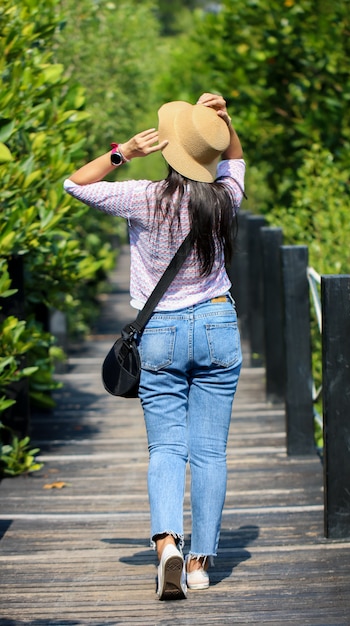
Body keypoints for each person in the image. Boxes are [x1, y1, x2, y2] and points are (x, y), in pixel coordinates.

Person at [64, 93, 245, 600]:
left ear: (167, 150)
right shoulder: (225, 197)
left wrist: (123, 151)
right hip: (216, 324)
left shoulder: (144, 196)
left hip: (160, 332)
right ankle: (201, 563)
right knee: (210, 453)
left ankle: (167, 542)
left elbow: (74, 183)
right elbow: (235, 161)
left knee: (166, 447)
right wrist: (223, 123)